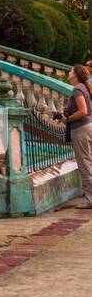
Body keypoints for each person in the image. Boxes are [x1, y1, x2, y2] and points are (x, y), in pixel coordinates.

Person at [60, 65, 92, 207]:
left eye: (71, 70)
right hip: (88, 126)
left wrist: (69, 119)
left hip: (81, 129)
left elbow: (83, 111)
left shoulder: (78, 89)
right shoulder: (85, 88)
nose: (69, 72)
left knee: (85, 164)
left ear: (75, 74)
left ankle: (90, 200)